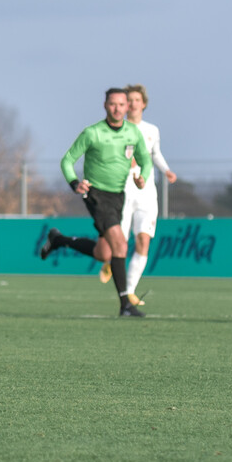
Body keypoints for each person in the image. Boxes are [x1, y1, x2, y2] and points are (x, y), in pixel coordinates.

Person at [39, 88, 151, 317]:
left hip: (118, 196)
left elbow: (146, 162)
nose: (117, 108)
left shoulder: (133, 133)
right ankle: (125, 305)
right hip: (96, 194)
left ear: (127, 107)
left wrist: (143, 178)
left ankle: (59, 240)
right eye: (113, 104)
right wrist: (74, 183)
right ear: (105, 105)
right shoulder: (93, 133)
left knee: (104, 254)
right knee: (120, 244)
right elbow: (67, 161)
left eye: (121, 104)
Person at [98, 83, 177, 304]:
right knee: (118, 242)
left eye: (136, 100)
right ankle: (109, 264)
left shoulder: (152, 130)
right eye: (128, 100)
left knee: (143, 240)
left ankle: (130, 291)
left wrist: (167, 170)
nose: (132, 104)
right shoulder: (117, 129)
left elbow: (156, 153)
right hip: (123, 190)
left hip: (146, 192)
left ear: (143, 104)